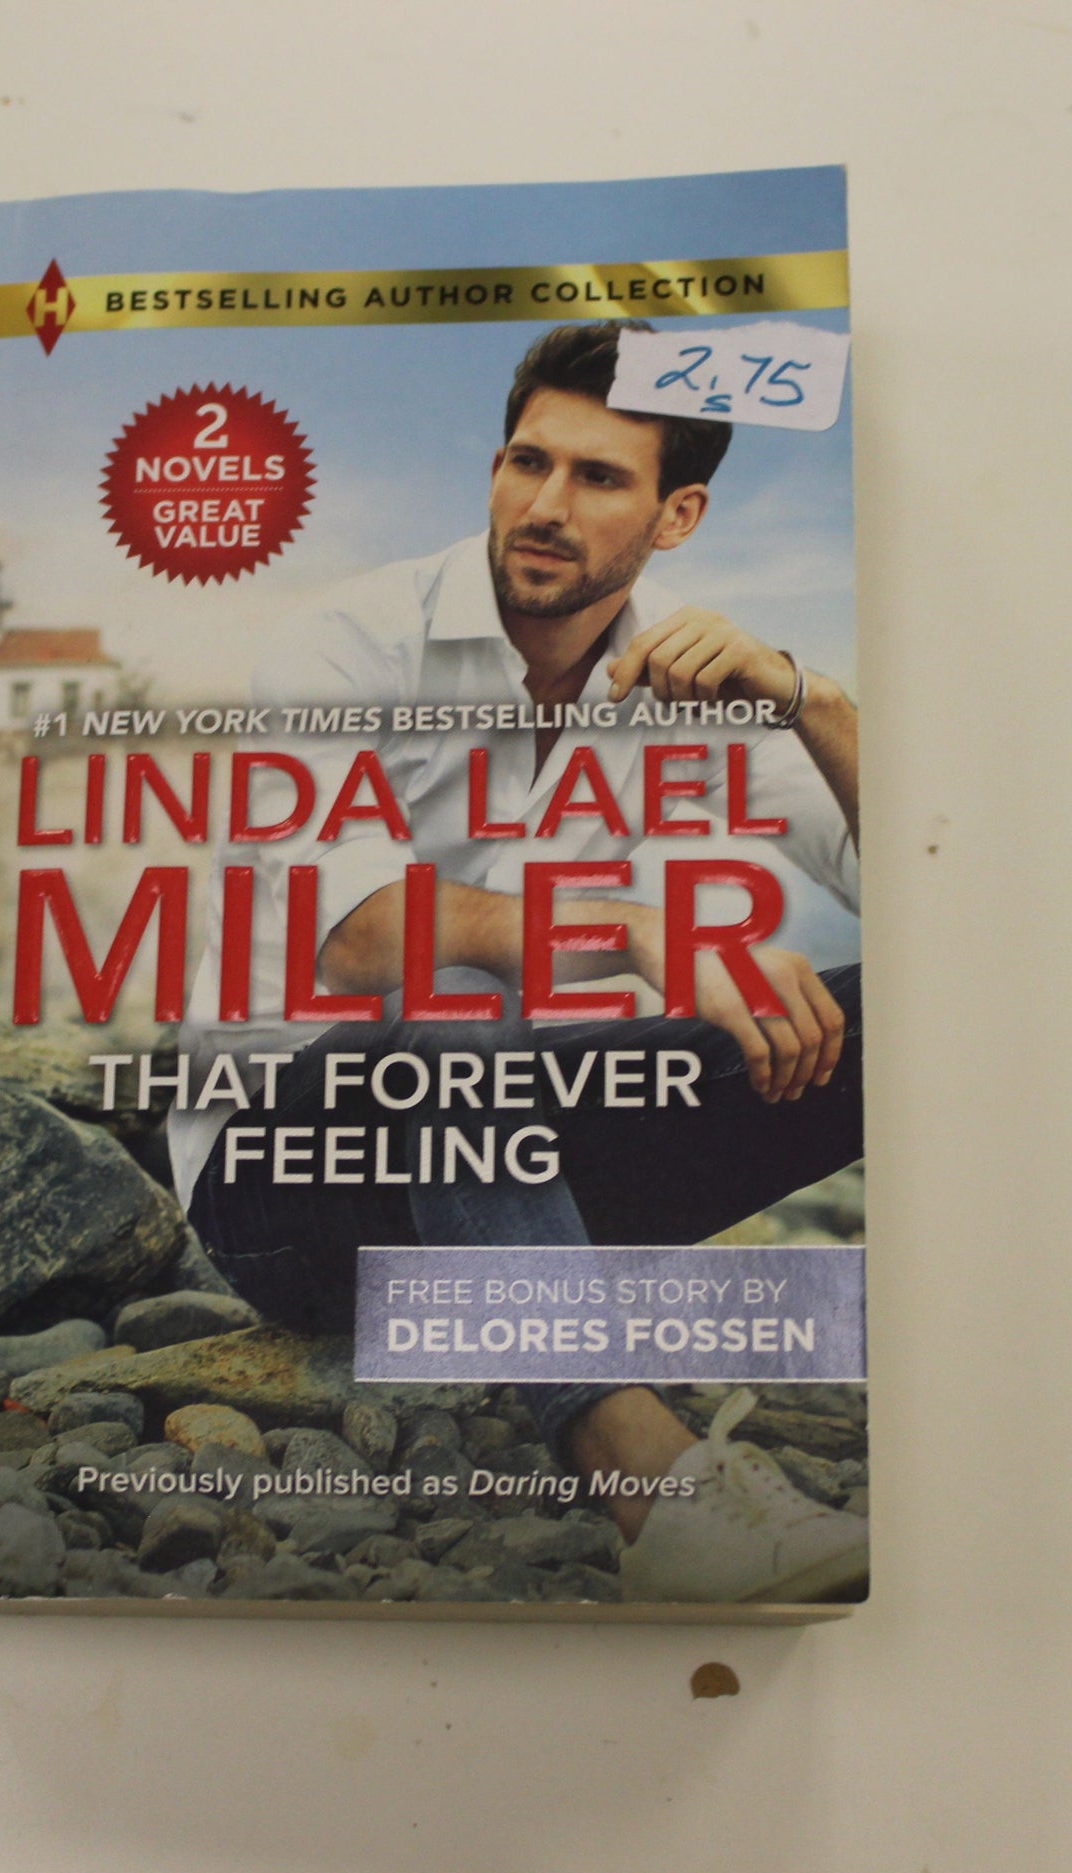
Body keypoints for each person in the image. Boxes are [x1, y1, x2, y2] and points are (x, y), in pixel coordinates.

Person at [167, 321, 868, 1603]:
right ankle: (654, 1488)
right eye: (526, 461)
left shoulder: (685, 666)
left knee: (899, 1011)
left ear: (677, 515)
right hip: (288, 1188)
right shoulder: (344, 641)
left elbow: (932, 889)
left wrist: (804, 694)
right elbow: (359, 931)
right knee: (456, 988)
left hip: (519, 1162)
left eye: (597, 477)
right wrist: (641, 929)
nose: (543, 506)